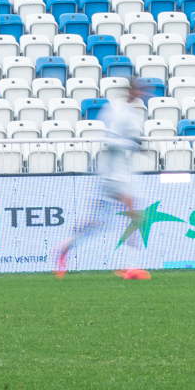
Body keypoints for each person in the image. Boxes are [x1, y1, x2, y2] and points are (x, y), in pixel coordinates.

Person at [53, 75, 150, 280]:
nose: (142, 94)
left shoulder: (132, 112)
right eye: (139, 90)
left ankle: (65, 246)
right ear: (132, 91)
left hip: (118, 172)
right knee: (135, 214)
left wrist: (133, 145)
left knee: (99, 222)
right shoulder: (116, 110)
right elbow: (108, 140)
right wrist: (132, 144)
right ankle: (131, 266)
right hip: (114, 174)